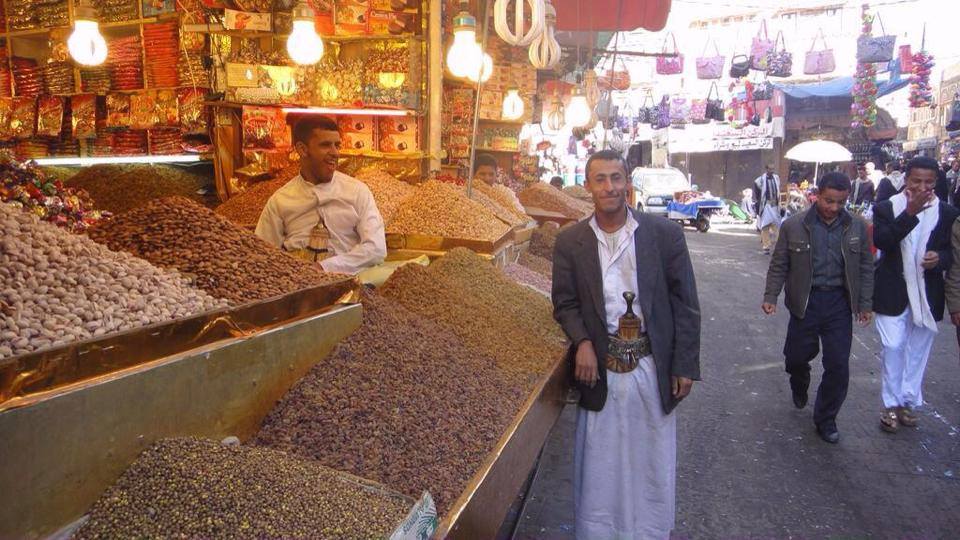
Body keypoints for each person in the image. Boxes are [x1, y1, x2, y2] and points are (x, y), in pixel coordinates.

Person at [552, 149, 700, 539]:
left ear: (627, 183)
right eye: (600, 179)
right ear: (588, 186)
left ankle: (648, 533)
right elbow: (564, 303)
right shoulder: (570, 241)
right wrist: (582, 340)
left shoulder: (662, 234)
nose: (609, 187)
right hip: (602, 370)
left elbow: (685, 301)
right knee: (601, 466)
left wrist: (684, 363)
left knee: (650, 459)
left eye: (616, 178)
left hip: (651, 367)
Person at [762, 173, 874, 444]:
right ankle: (799, 380)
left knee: (838, 364)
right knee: (796, 357)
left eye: (840, 202)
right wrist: (771, 296)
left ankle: (826, 418)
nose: (834, 208)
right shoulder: (794, 225)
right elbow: (779, 264)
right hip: (806, 302)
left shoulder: (858, 226)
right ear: (817, 195)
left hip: (839, 303)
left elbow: (866, 268)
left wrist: (865, 304)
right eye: (828, 201)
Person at [873, 157, 959, 433]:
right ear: (906, 181)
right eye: (916, 181)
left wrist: (940, 258)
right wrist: (910, 211)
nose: (922, 187)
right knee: (894, 346)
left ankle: (906, 402)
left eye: (928, 182)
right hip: (892, 290)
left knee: (917, 351)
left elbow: (951, 252)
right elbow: (883, 241)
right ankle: (890, 403)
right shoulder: (887, 208)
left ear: (935, 183)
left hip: (927, 293)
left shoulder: (946, 213)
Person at [256, 116, 386, 275]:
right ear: (302, 149)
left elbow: (376, 249)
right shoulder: (281, 200)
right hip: (298, 289)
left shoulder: (357, 192)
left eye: (337, 145)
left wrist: (325, 267)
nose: (335, 153)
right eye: (325, 145)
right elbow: (263, 254)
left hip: (349, 287)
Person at [753, 163, 782, 254]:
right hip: (766, 205)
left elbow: (778, 190)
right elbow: (757, 192)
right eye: (770, 169)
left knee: (777, 225)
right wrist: (760, 202)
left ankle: (779, 246)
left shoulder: (776, 178)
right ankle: (766, 246)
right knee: (765, 226)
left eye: (773, 169)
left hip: (775, 205)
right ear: (766, 169)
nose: (772, 171)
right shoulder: (760, 180)